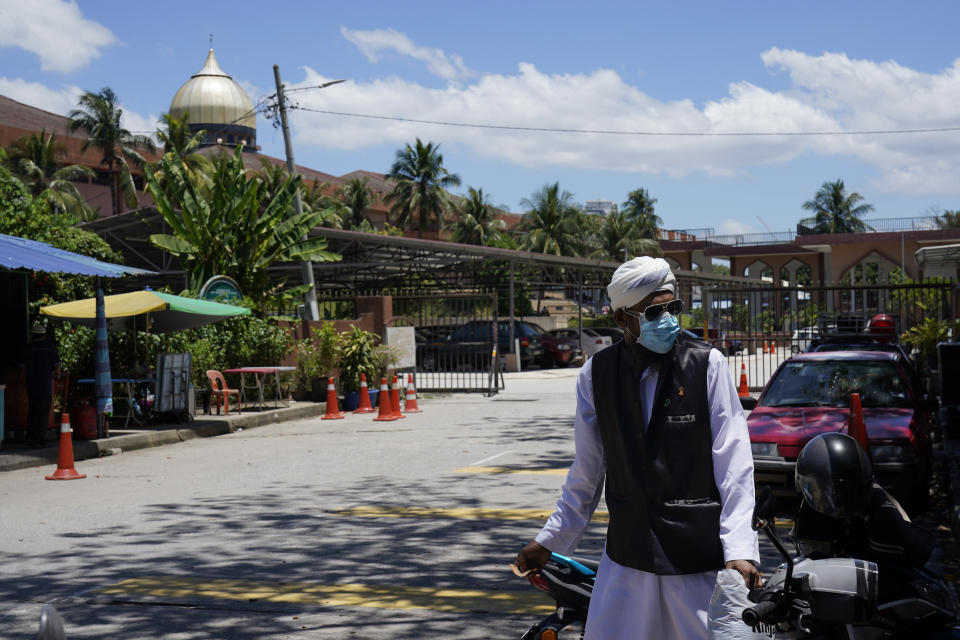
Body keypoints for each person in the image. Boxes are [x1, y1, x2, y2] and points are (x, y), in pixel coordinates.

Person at [514, 256, 760, 639]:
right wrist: (551, 541)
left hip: (695, 561)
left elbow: (734, 464)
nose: (667, 319)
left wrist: (739, 547)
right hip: (628, 560)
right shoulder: (595, 374)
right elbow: (588, 472)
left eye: (672, 307)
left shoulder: (706, 365)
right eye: (653, 311)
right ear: (621, 319)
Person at [792, 432, 934, 603]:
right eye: (828, 492)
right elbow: (808, 567)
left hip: (879, 595)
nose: (837, 500)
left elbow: (906, 567)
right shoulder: (810, 511)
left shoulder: (882, 507)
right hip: (830, 596)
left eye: (846, 491)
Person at [23, 323, 61, 447]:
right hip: (45, 385)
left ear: (33, 335)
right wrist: (58, 376)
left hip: (32, 385)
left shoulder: (28, 349)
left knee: (33, 411)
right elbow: (57, 367)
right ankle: (40, 439)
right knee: (43, 413)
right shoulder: (50, 348)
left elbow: (23, 367)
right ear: (44, 335)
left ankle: (31, 438)